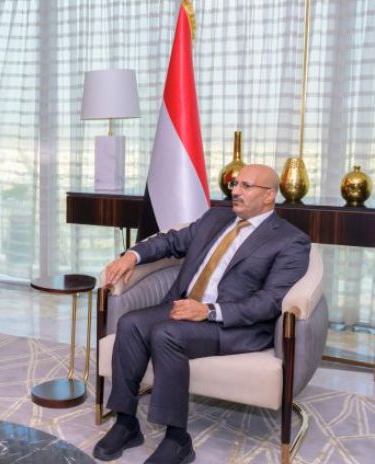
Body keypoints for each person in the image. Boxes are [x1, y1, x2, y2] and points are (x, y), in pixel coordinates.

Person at [93, 165, 310, 464]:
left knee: (166, 334)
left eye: (246, 186)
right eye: (235, 184)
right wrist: (132, 255)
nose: (235, 192)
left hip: (231, 325)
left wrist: (208, 311)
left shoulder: (290, 240)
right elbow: (170, 241)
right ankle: (126, 423)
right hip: (184, 305)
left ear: (269, 195)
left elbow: (270, 302)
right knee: (130, 323)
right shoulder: (215, 218)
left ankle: (177, 440)